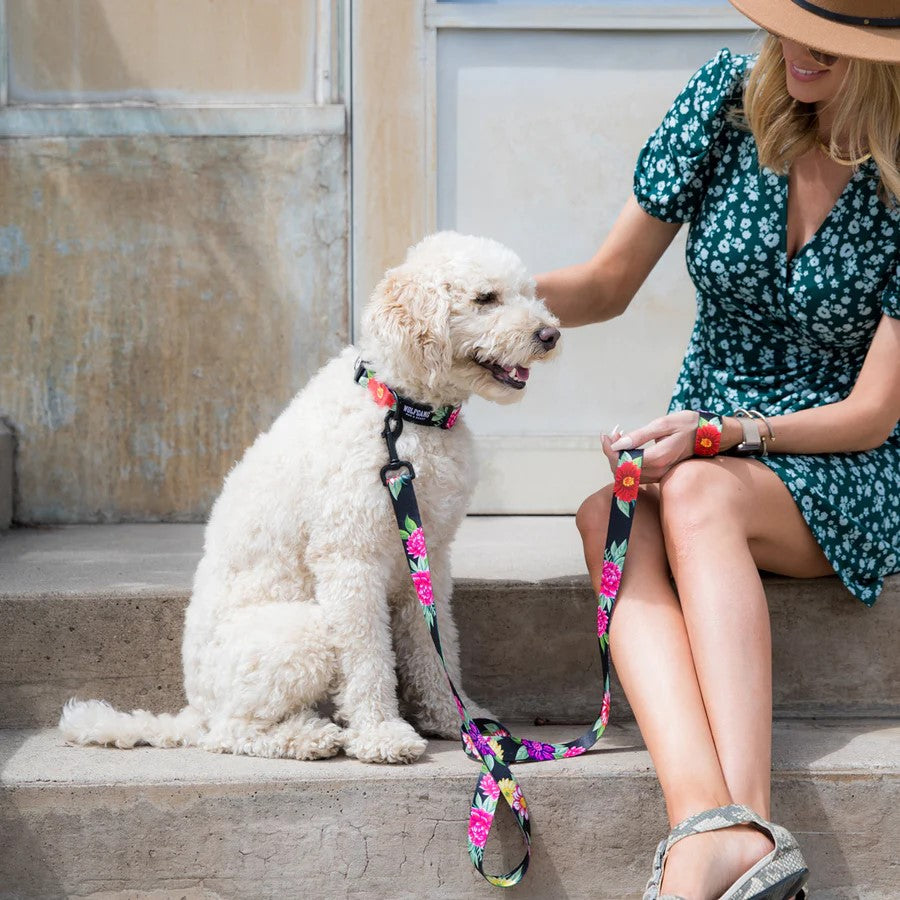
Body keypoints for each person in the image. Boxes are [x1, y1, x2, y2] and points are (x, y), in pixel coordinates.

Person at [535, 1, 900, 897]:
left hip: (841, 461)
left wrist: (724, 435)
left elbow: (873, 413)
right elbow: (606, 283)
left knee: (695, 496)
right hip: (705, 443)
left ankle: (749, 821)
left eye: (835, 46)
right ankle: (711, 824)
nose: (800, 55)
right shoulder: (722, 102)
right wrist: (466, 293)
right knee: (605, 518)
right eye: (793, 29)